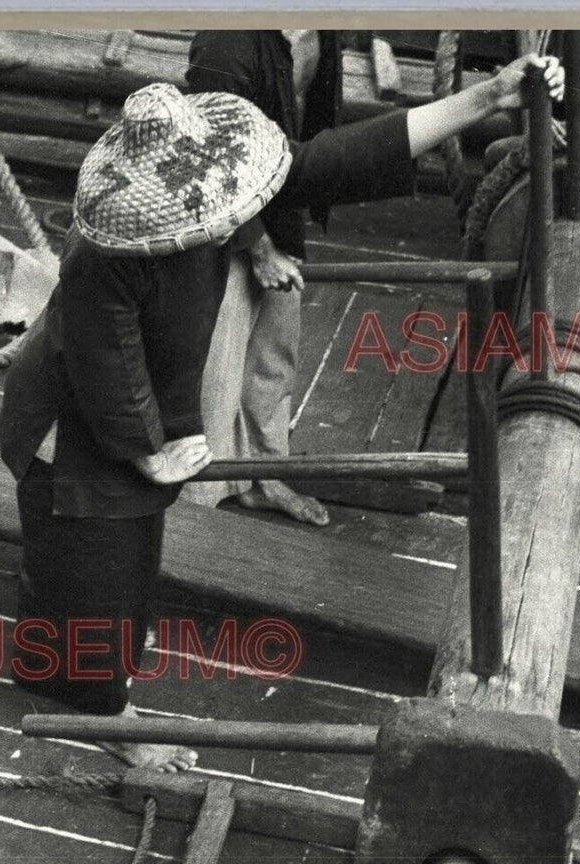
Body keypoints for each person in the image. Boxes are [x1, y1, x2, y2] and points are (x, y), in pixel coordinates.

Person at [0, 55, 565, 772]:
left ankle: (56, 647)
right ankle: (104, 712)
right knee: (99, 548)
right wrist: (151, 449)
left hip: (132, 403)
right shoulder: (107, 251)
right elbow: (104, 360)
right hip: (71, 419)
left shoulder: (217, 183)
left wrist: (485, 96)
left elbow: (337, 161)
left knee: (121, 551)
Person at [181, 30, 342, 525]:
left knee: (275, 356)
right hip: (218, 211)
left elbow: (314, 116)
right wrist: (256, 246)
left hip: (280, 199)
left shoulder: (320, 25)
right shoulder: (226, 38)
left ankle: (265, 477)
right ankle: (198, 502)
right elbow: (204, 150)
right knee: (218, 366)